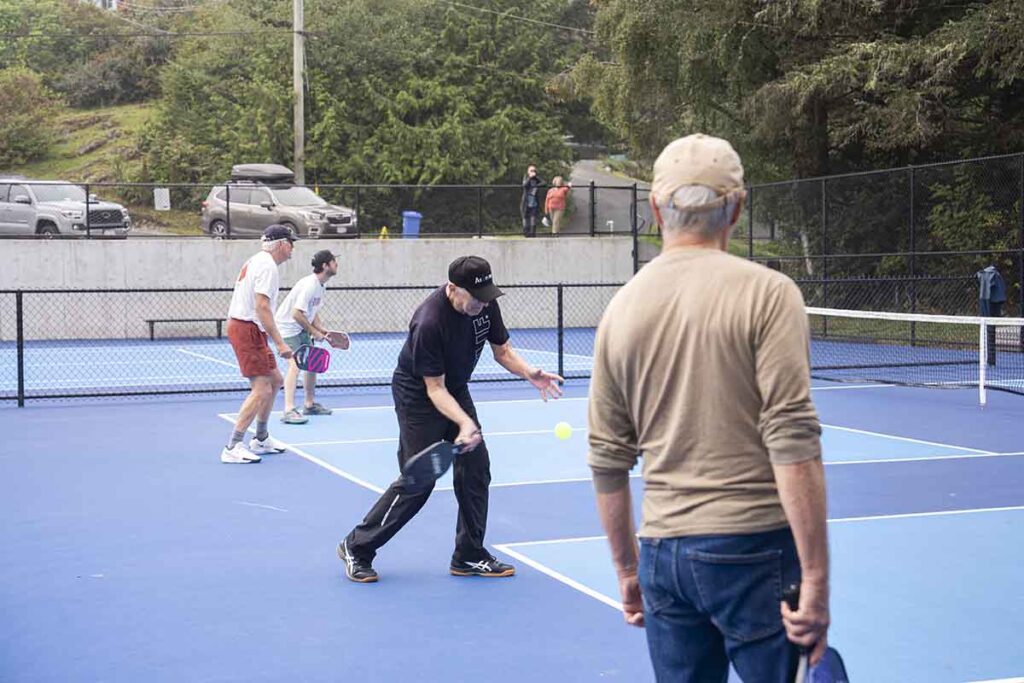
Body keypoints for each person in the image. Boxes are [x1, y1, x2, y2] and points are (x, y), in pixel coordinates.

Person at [586, 134, 830, 681]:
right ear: (737, 209)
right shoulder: (769, 294)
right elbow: (791, 440)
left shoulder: (622, 309)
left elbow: (606, 458)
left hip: (662, 558)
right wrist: (815, 578)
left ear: (654, 209)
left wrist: (629, 570)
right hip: (755, 548)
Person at [338, 255, 564, 583]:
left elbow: (503, 351)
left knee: (476, 468)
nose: (481, 304)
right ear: (452, 289)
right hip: (418, 396)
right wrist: (465, 423)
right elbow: (434, 389)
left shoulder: (485, 303)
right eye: (474, 297)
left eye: (485, 296)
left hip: (454, 388)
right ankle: (356, 547)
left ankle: (469, 554)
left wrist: (529, 372)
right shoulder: (430, 321)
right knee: (419, 480)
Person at [221, 224, 298, 464]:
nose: (293, 248)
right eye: (291, 243)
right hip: (247, 329)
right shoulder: (267, 267)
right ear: (282, 244)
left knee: (275, 381)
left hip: (251, 328)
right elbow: (262, 307)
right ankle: (233, 445)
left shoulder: (258, 261)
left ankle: (261, 438)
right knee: (262, 388)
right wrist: (280, 343)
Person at [275, 249, 350, 424]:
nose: (336, 264)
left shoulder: (321, 285)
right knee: (294, 366)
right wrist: (315, 333)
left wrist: (322, 330)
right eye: (333, 261)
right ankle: (288, 409)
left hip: (300, 328)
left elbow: (312, 311)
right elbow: (296, 313)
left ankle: (309, 405)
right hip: (287, 328)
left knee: (312, 364)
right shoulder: (310, 285)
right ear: (325, 266)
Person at [520, 165, 545, 237]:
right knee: (525, 218)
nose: (533, 172)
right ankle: (526, 233)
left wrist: (537, 185)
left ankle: (532, 233)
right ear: (528, 172)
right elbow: (524, 185)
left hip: (534, 203)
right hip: (526, 202)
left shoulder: (536, 179)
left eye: (534, 170)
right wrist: (530, 177)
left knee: (533, 218)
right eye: (531, 170)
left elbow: (544, 183)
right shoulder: (526, 178)